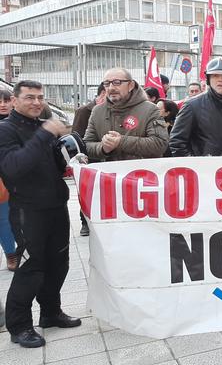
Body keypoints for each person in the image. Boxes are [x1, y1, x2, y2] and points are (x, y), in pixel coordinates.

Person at [0, 80, 82, 348]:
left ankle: (50, 312)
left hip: (56, 206)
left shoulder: (41, 128)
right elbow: (14, 167)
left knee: (59, 263)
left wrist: (72, 154)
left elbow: (51, 164)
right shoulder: (5, 130)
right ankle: (19, 326)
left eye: (40, 97)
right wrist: (46, 134)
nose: (36, 102)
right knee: (31, 268)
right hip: (27, 210)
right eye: (29, 97)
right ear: (14, 100)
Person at [169, 58, 222, 156]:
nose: (220, 79)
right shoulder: (192, 105)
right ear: (209, 79)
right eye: (215, 75)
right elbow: (177, 143)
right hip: (204, 170)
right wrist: (195, 165)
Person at [83, 68, 169, 161]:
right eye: (107, 84)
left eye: (117, 82)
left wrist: (121, 142)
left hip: (141, 173)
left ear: (131, 85)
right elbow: (87, 145)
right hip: (109, 174)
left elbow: (160, 144)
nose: (111, 88)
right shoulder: (97, 111)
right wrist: (103, 148)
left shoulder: (150, 109)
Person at [71, 83, 106, 236]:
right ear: (103, 93)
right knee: (88, 193)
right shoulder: (84, 111)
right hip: (91, 159)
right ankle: (84, 221)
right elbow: (77, 136)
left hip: (108, 159)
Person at [0, 87, 17, 270]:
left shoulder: (20, 121)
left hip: (19, 175)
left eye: (6, 101)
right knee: (3, 218)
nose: (3, 105)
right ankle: (10, 254)